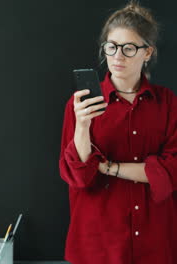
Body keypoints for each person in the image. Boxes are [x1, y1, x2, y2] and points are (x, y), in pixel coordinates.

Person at [59, 2, 176, 264]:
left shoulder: (168, 103)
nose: (117, 56)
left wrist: (108, 167)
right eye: (111, 46)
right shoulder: (79, 105)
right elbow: (78, 175)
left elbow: (172, 171)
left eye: (129, 48)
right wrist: (82, 126)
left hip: (155, 243)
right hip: (97, 244)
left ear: (148, 52)